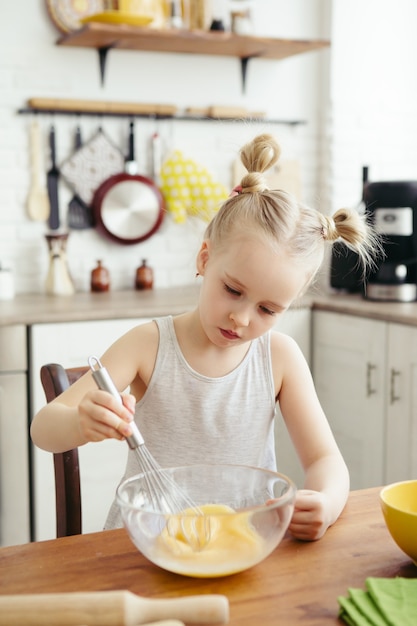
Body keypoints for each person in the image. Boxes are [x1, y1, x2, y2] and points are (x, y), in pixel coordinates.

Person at [31, 133, 380, 541]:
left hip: (242, 540)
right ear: (205, 258)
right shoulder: (148, 344)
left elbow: (326, 460)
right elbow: (44, 428)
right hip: (150, 540)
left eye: (268, 310)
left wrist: (327, 500)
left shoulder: (279, 357)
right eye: (233, 290)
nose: (241, 317)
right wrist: (81, 423)